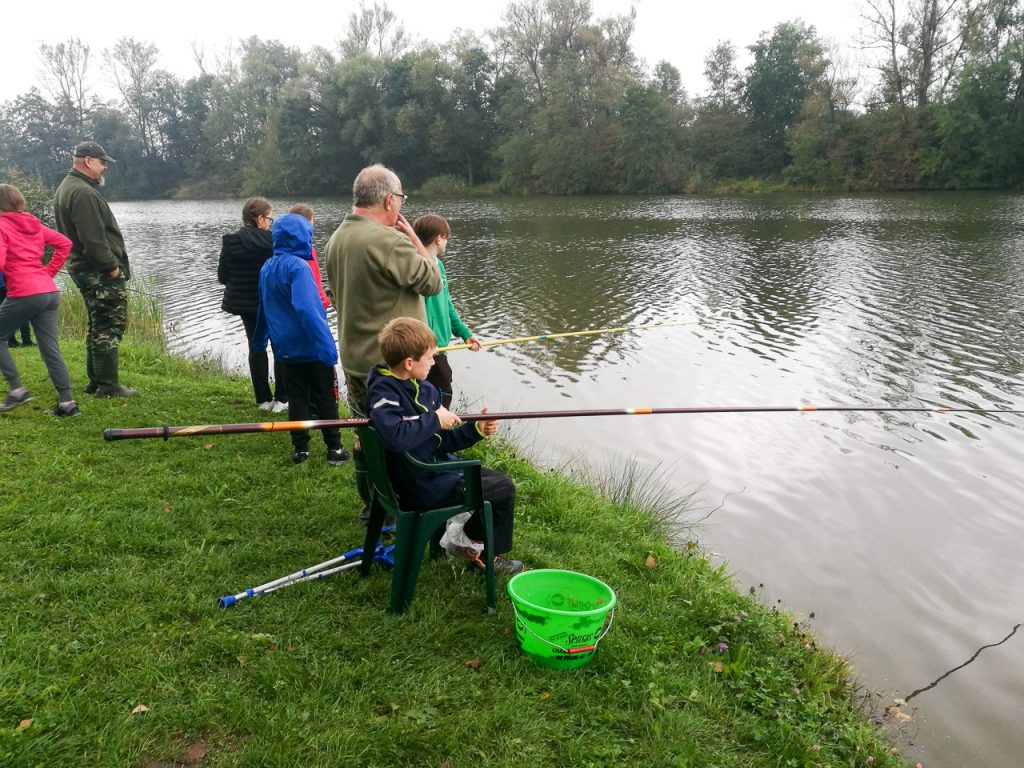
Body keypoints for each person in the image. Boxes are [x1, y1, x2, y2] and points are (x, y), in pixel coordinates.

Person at [325, 165, 442, 516]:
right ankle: (403, 506)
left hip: (354, 359)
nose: (402, 207)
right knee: (401, 437)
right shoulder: (387, 240)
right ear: (389, 200)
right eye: (401, 198)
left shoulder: (337, 239)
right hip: (391, 367)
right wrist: (418, 243)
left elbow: (334, 295)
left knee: (365, 435)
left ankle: (372, 505)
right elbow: (432, 282)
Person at [367, 317, 522, 574]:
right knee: (503, 489)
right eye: (430, 357)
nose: (434, 362)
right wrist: (434, 419)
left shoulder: (424, 389)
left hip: (433, 469)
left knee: (498, 483)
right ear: (409, 363)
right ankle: (475, 550)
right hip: (419, 484)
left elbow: (441, 442)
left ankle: (468, 541)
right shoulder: (385, 392)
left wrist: (475, 430)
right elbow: (395, 437)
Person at [253, 213, 349, 466]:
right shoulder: (299, 267)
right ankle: (335, 449)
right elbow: (307, 310)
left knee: (297, 399)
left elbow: (262, 306)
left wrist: (259, 341)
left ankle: (300, 450)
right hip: (312, 348)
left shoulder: (266, 267)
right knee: (326, 398)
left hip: (284, 349)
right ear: (301, 238)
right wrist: (327, 347)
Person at [53, 140, 137, 398]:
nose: (104, 168)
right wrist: (111, 268)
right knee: (109, 325)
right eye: (102, 163)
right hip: (97, 271)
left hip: (83, 268)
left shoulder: (68, 188)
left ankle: (95, 381)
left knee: (96, 322)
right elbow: (93, 239)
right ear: (87, 161)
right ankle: (109, 385)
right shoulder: (83, 192)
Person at [0, 183, 78, 416]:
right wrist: (48, 272)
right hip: (48, 292)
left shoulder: (1, 226)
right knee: (49, 347)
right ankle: (67, 402)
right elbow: (65, 243)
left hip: (25, 293)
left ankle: (17, 389)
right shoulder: (32, 223)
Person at [218, 197, 287, 413]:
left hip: (245, 305)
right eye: (269, 218)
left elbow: (222, 277)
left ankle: (263, 399)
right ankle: (282, 399)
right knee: (279, 348)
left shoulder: (230, 242)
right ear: (259, 219)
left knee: (255, 347)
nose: (270, 223)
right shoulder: (273, 242)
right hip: (272, 303)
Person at [412, 214, 482, 408]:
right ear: (438, 238)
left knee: (441, 393)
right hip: (426, 349)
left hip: (440, 347)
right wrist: (425, 342)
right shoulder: (417, 266)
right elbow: (413, 311)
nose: (447, 242)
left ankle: (437, 432)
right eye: (446, 238)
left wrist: (465, 334)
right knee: (441, 393)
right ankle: (436, 433)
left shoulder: (439, 266)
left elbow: (447, 304)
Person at [287, 204, 330, 311]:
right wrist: (325, 302)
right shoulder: (307, 251)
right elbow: (315, 284)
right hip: (310, 310)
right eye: (311, 224)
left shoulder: (279, 248)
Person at [0, 272, 35, 347]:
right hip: (7, 284)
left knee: (6, 314)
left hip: (5, 284)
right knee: (23, 312)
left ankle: (12, 342)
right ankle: (26, 341)